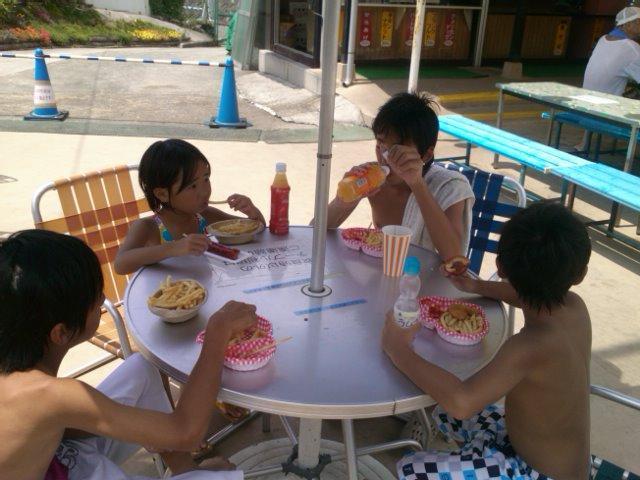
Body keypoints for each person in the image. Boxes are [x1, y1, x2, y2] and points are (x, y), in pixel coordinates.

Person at [0, 229, 256, 480]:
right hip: (64, 468)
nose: (103, 299)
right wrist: (217, 333)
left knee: (144, 367)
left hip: (54, 455)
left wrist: (141, 426)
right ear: (62, 332)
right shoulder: (51, 395)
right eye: (95, 297)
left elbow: (51, 423)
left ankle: (185, 470)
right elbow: (187, 432)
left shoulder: (23, 376)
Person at [382, 202, 592, 480]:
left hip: (536, 473)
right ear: (579, 275)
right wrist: (476, 286)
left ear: (500, 267)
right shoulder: (575, 307)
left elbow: (462, 402)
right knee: (440, 404)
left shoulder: (530, 346)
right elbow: (529, 293)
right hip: (541, 450)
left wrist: (397, 347)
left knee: (411, 467)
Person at [320, 92, 474, 261]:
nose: (386, 158)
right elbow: (315, 231)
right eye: (381, 146)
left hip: (426, 276)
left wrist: (417, 184)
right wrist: (343, 202)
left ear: (426, 155)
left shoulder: (450, 187)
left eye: (397, 151)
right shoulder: (373, 183)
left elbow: (455, 257)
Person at [115, 139, 265, 275]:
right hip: (169, 294)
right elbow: (121, 265)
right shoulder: (148, 227)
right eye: (192, 186)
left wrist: (252, 212)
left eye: (206, 179)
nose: (204, 191)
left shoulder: (206, 216)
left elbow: (259, 230)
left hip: (208, 290)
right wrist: (174, 248)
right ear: (162, 194)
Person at [577, 6, 640, 151]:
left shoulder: (603, 39)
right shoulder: (631, 48)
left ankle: (584, 141)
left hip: (585, 105)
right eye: (638, 23)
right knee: (634, 94)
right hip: (606, 109)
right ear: (626, 25)